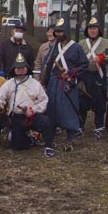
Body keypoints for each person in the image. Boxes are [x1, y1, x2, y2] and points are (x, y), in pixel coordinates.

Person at [41, 14, 89, 152]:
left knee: (68, 110)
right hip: (54, 82)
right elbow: (47, 64)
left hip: (67, 83)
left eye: (61, 31)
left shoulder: (76, 48)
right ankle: (50, 137)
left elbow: (84, 65)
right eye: (57, 31)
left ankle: (70, 139)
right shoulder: (54, 47)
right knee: (51, 109)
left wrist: (72, 72)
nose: (58, 34)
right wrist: (44, 81)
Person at [0, 53, 55, 157]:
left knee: (46, 122)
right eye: (18, 68)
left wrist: (34, 110)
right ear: (14, 69)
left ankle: (49, 146)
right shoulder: (9, 83)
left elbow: (44, 100)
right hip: (16, 117)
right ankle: (29, 139)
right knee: (17, 146)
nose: (20, 70)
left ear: (27, 69)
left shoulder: (35, 84)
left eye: (23, 68)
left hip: (32, 115)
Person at [77, 16, 108, 139]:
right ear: (87, 30)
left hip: (99, 76)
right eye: (90, 29)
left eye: (95, 28)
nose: (92, 31)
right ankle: (80, 126)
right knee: (82, 102)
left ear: (99, 30)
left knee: (99, 103)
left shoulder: (106, 42)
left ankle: (98, 127)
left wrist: (103, 58)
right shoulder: (81, 44)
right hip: (84, 76)